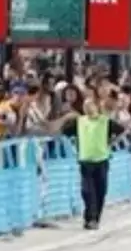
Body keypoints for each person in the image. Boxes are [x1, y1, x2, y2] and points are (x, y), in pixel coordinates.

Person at [53, 94, 125, 230]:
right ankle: (90, 218)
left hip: (102, 159)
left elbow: (122, 131)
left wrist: (111, 143)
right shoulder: (79, 121)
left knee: (100, 191)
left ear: (96, 106)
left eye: (90, 105)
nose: (87, 108)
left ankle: (96, 218)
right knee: (87, 191)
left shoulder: (105, 121)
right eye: (85, 106)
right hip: (85, 160)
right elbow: (64, 132)